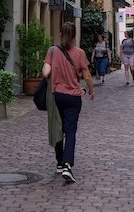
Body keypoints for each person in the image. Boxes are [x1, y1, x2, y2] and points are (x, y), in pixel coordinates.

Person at [42, 21, 95, 184]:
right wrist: (91, 90)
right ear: (74, 36)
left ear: (60, 35)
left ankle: (59, 162)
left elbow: (45, 72)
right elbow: (86, 75)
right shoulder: (79, 53)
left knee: (58, 126)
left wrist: (52, 68)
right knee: (70, 130)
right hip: (73, 97)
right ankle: (67, 165)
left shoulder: (52, 51)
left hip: (57, 95)